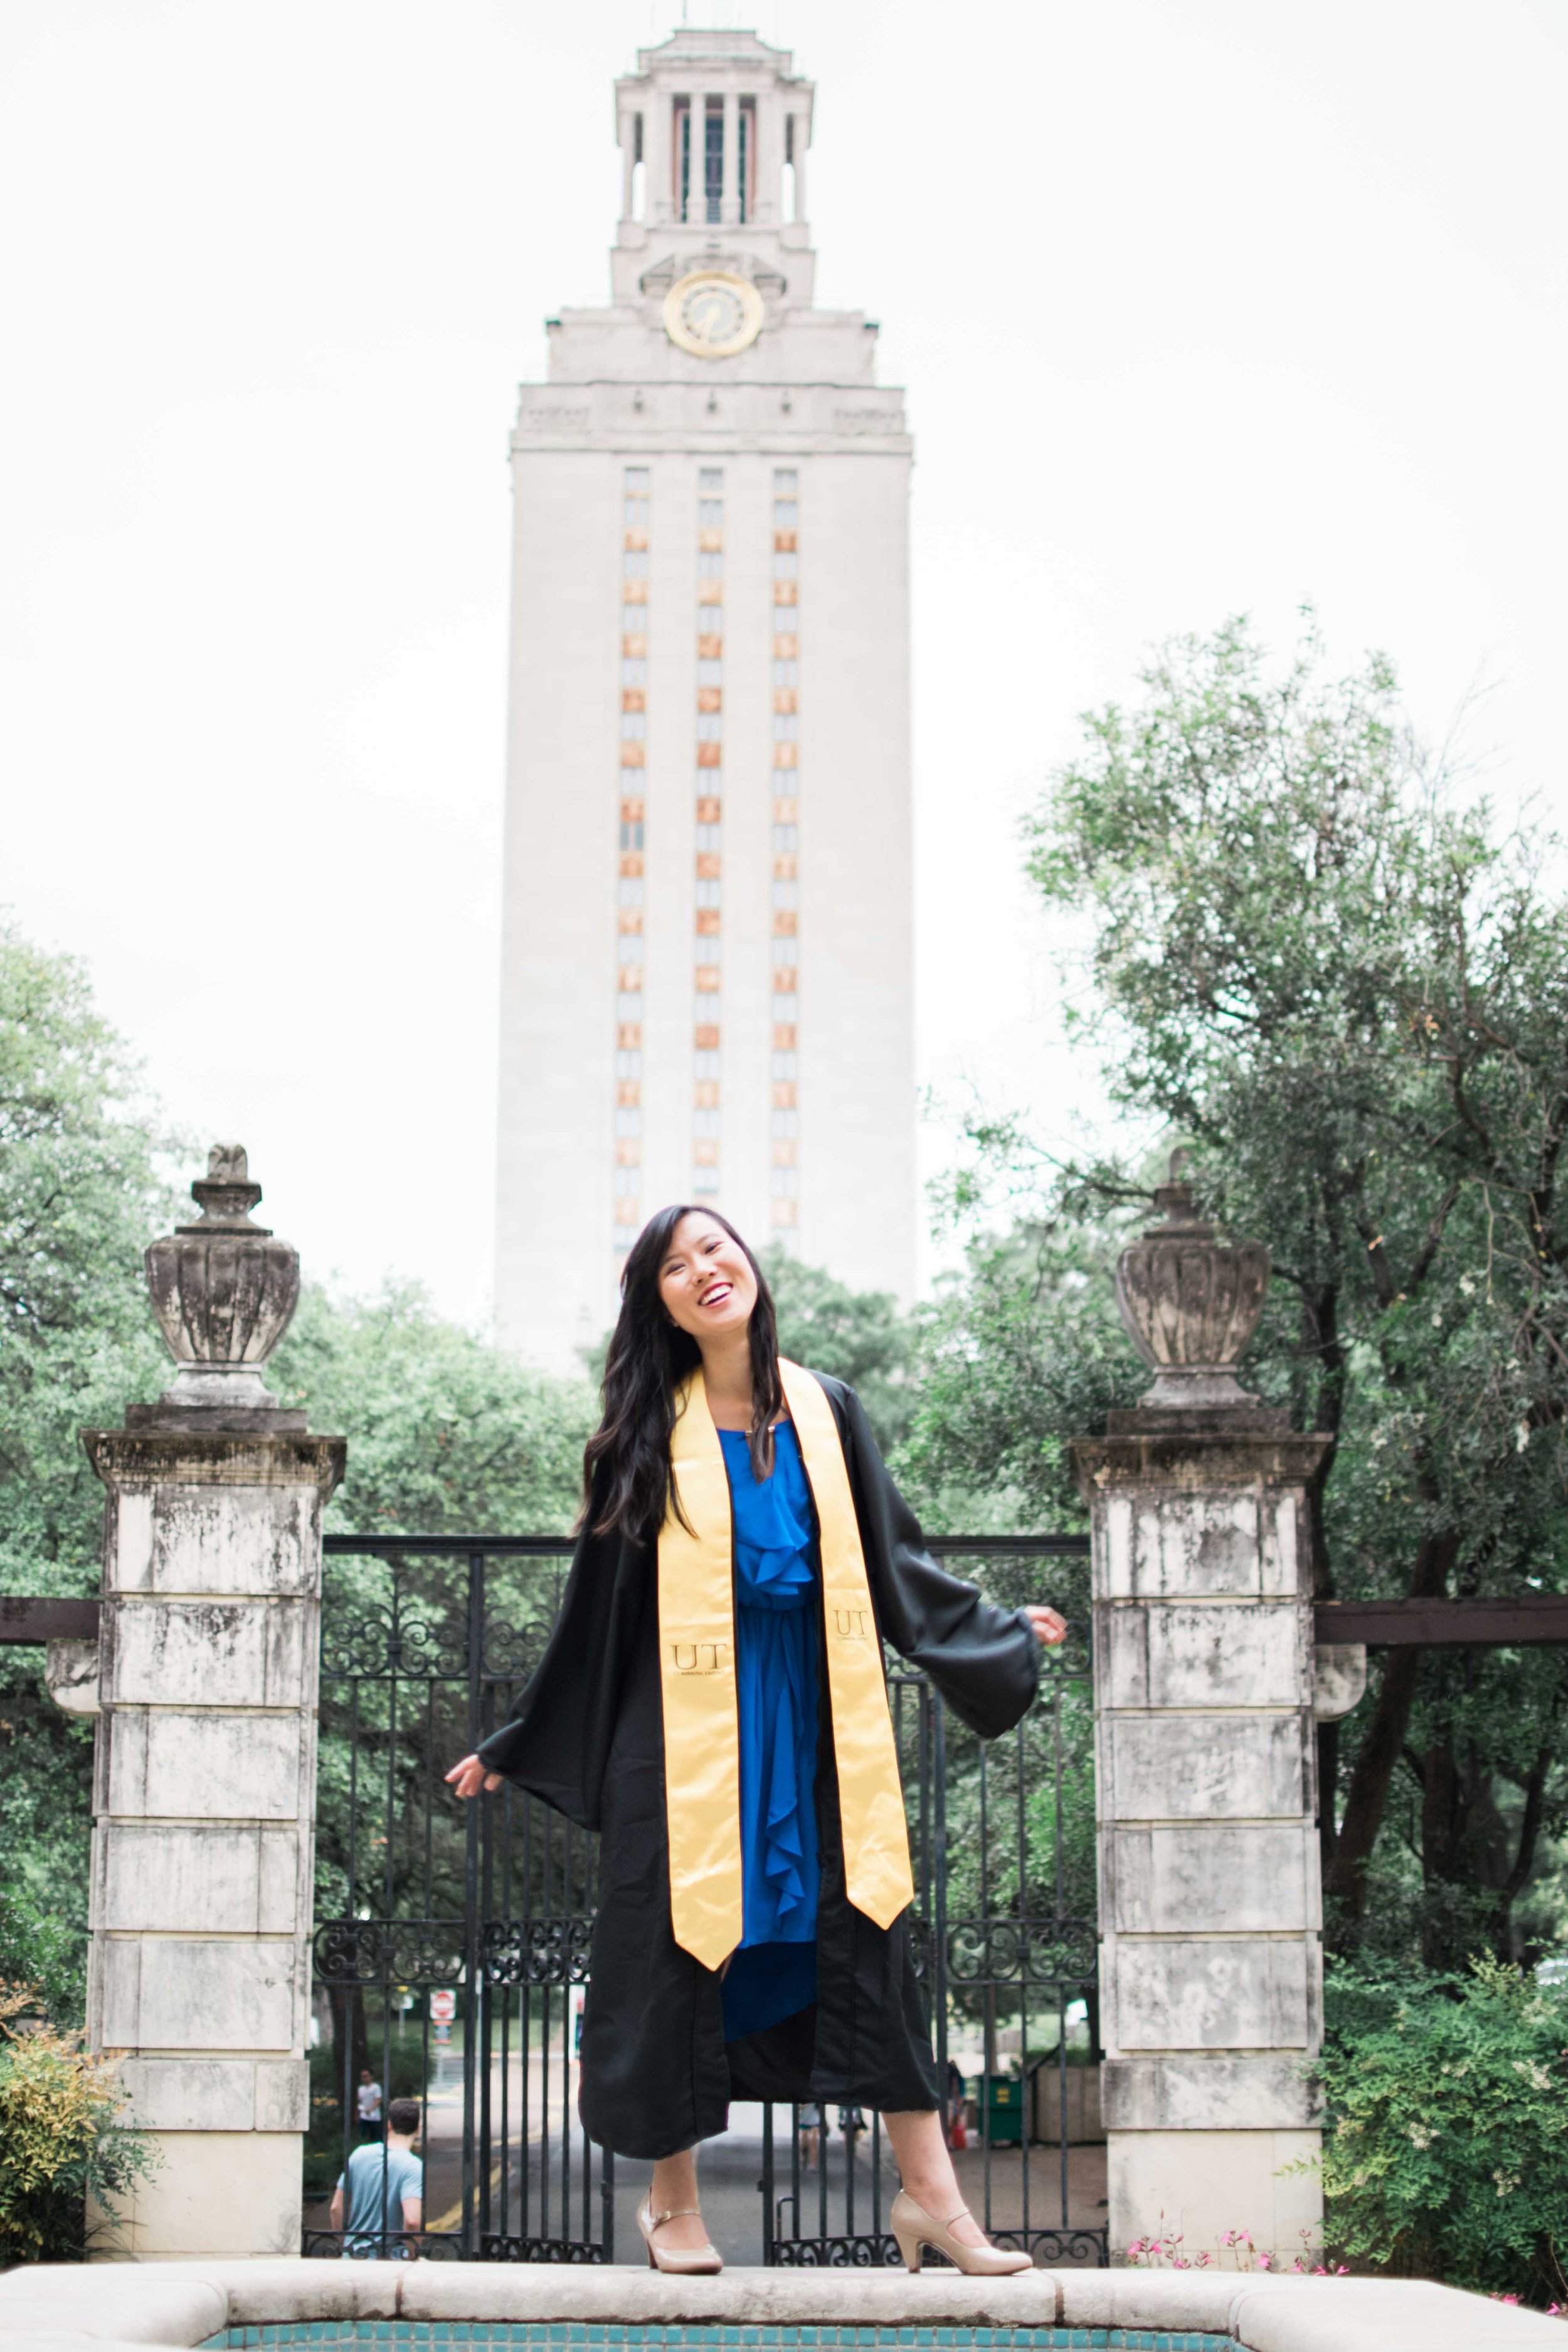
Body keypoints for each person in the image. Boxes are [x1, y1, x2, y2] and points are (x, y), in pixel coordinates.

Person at [448, 1206, 1067, 2277]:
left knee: (869, 1946)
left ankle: (936, 2207)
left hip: (818, 1720)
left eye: (714, 1250)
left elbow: (892, 1557)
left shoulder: (829, 1410)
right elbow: (595, 1615)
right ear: (662, 1304)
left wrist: (995, 1635)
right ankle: (671, 2207)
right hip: (683, 1735)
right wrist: (522, 1738)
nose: (702, 1271)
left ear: (749, 1266)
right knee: (676, 1953)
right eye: (676, 1267)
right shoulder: (640, 1437)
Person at [331, 2094, 422, 2257]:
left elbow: (336, 2208)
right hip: (390, 2261)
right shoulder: (412, 2166)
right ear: (418, 2129)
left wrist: (345, 2246)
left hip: (354, 2257)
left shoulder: (359, 2154)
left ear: (388, 2126)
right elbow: (412, 2220)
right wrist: (413, 2255)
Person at [355, 2069, 383, 2137]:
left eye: (366, 2076)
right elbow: (359, 2102)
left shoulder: (376, 2087)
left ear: (371, 2077)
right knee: (362, 2136)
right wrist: (357, 2114)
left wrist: (370, 2109)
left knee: (375, 2137)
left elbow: (378, 2100)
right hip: (363, 2117)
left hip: (374, 2118)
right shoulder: (360, 2089)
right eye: (363, 2077)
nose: (364, 2079)